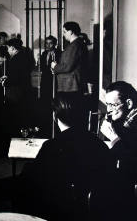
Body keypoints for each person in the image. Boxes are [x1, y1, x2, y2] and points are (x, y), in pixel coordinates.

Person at [17, 93, 112, 221]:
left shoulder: (51, 146)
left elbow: (31, 183)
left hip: (60, 212)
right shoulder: (100, 145)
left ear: (54, 116)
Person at [99, 81, 137, 220]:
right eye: (107, 104)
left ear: (128, 104)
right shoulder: (126, 121)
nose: (108, 109)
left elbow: (131, 160)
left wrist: (113, 137)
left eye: (113, 105)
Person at [0, 38, 33, 135]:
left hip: (16, 92)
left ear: (13, 48)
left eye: (8, 48)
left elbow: (15, 79)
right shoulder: (22, 56)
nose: (8, 50)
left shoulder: (15, 59)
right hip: (22, 90)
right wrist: (7, 77)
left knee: (16, 113)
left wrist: (4, 82)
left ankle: (16, 134)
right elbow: (17, 74)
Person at [51, 22, 88, 94]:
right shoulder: (77, 44)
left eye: (64, 32)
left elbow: (67, 66)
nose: (63, 34)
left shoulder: (74, 46)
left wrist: (55, 66)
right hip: (71, 85)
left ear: (70, 32)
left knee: (68, 104)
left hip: (70, 86)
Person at [39, 35, 62, 136]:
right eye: (46, 43)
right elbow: (42, 68)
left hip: (55, 81)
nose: (48, 45)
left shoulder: (60, 53)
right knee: (45, 102)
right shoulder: (44, 53)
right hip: (45, 81)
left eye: (50, 43)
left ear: (55, 44)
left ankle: (55, 123)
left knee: (54, 101)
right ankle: (46, 123)